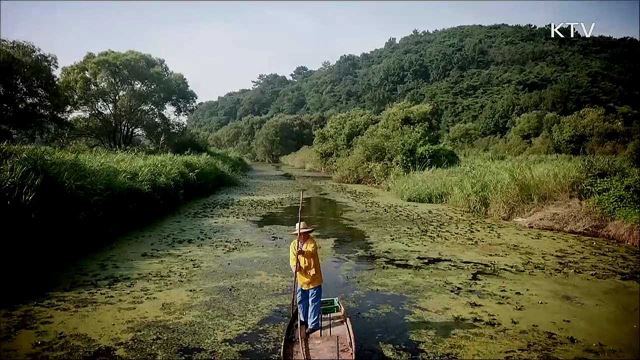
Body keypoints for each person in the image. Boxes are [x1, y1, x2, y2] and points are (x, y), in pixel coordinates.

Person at [289, 221, 323, 336]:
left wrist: (302, 252)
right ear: (297, 235)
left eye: (304, 233)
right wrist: (295, 267)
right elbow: (292, 259)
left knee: (313, 301)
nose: (302, 236)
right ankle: (303, 319)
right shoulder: (294, 245)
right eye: (300, 234)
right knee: (301, 300)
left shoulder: (311, 242)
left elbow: (311, 252)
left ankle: (313, 325)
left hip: (314, 279)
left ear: (308, 233)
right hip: (301, 279)